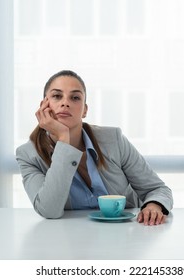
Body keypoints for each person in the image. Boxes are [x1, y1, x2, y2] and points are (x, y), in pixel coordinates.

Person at [16, 70, 173, 226]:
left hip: (126, 233)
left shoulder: (113, 139)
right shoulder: (28, 155)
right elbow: (49, 210)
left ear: (84, 110)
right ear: (44, 106)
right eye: (57, 96)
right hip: (67, 238)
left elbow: (158, 189)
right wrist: (64, 140)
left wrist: (153, 205)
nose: (65, 103)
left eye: (75, 97)